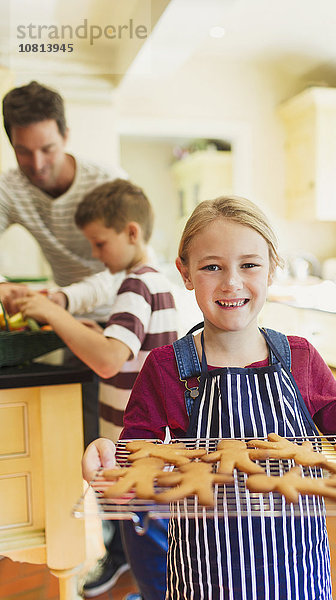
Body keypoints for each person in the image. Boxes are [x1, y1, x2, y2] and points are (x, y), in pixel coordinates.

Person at [82, 195, 336, 600]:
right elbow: (135, 453)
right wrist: (107, 453)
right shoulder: (166, 368)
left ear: (272, 270)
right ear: (186, 273)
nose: (231, 282)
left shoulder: (300, 358)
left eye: (249, 264)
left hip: (297, 569)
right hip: (204, 570)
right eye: (212, 266)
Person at [18, 179, 178, 599]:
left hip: (135, 446)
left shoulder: (135, 284)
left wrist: (54, 313)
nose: (94, 254)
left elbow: (108, 359)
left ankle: (154, 593)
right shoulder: (155, 281)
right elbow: (127, 347)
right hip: (151, 444)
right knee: (148, 531)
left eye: (100, 243)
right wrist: (90, 328)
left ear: (131, 233)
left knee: (147, 542)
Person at [0, 80, 127, 446]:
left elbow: (124, 272)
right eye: (23, 151)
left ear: (66, 135)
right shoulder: (11, 189)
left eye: (47, 149)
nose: (37, 164)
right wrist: (5, 286)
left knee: (125, 431)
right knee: (77, 430)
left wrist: (63, 300)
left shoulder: (108, 183)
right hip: (69, 322)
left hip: (122, 317)